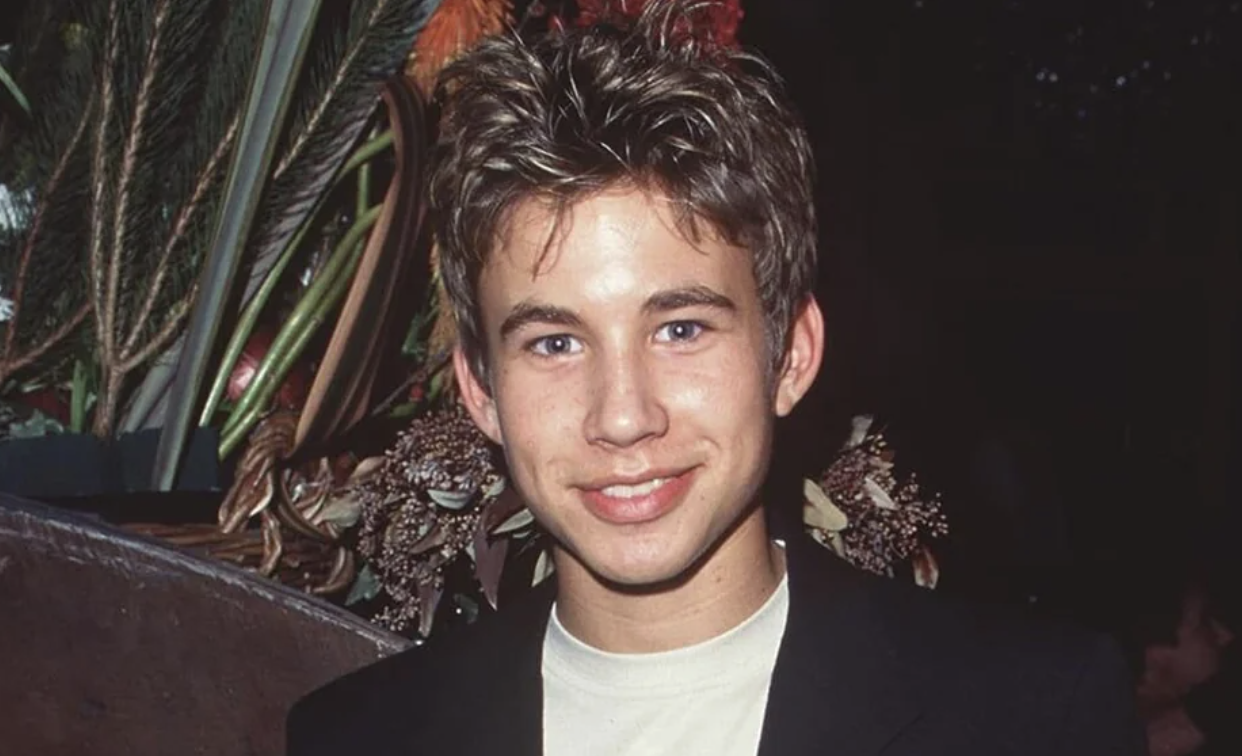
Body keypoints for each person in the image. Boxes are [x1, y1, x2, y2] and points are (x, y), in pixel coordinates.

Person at [287, 2, 1145, 753]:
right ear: (479, 389)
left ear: (791, 355)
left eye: (681, 328)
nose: (622, 418)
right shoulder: (360, 737)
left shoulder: (1031, 718)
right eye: (555, 343)